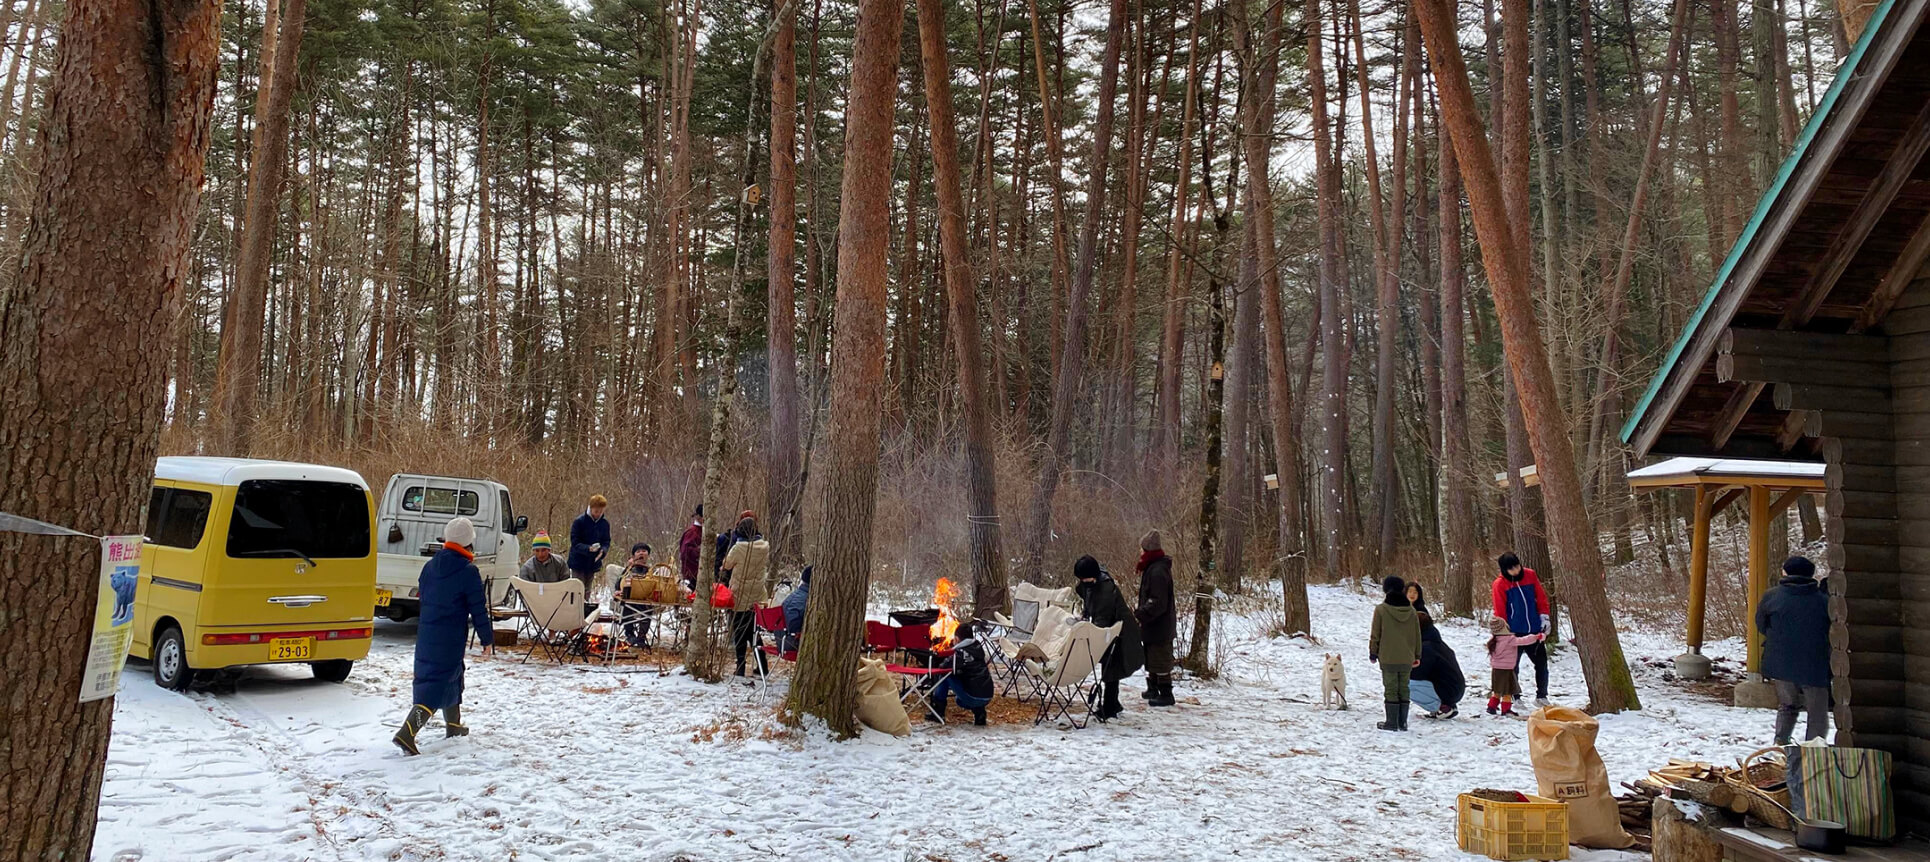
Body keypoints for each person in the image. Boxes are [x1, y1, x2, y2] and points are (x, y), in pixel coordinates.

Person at [392, 516, 495, 756]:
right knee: (437, 684)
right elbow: (478, 608)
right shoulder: (468, 571)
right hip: (449, 636)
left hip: (427, 632)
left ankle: (454, 726)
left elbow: (423, 597)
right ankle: (407, 732)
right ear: (468, 543)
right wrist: (487, 638)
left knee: (450, 675)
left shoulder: (430, 566)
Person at [1757, 555, 1831, 744]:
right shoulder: (1823, 600)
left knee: (1787, 705)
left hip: (1780, 661)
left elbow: (1761, 625)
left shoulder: (1771, 596)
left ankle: (1780, 745)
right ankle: (1814, 751)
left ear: (1786, 572)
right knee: (1817, 712)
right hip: (1816, 662)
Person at [1074, 555, 1144, 721]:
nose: (1082, 581)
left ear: (1093, 574)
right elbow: (1088, 600)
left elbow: (1102, 617)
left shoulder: (1105, 588)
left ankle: (1110, 707)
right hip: (1110, 629)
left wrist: (1092, 633)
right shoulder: (1088, 585)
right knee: (1109, 667)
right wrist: (1085, 614)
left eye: (1084, 577)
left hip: (1121, 631)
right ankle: (1112, 703)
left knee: (1112, 669)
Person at [1492, 552, 1553, 706]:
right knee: (1512, 666)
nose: (1516, 571)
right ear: (1505, 570)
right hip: (1514, 633)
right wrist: (1503, 633)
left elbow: (1541, 597)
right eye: (1511, 569)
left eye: (1517, 566)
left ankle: (1541, 696)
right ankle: (1514, 696)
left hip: (1534, 629)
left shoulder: (1530, 575)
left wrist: (1544, 616)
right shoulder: (1500, 584)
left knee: (1541, 664)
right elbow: (1500, 610)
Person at [720, 516, 772, 678]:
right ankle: (762, 665)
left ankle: (741, 665)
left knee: (740, 632)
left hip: (740, 594)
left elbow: (726, 565)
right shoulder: (764, 546)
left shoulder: (738, 548)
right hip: (757, 594)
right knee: (753, 631)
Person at [1369, 576, 1421, 732]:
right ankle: (1402, 722)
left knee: (1391, 687)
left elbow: (1375, 634)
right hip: (1407, 657)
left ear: (1386, 589)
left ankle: (1391, 722)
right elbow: (1416, 635)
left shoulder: (1381, 610)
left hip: (1388, 656)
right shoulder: (1411, 611)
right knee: (1404, 687)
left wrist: (1373, 652)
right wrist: (1417, 655)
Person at [1407, 584, 1465, 719]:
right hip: (1453, 689)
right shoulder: (1436, 642)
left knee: (1405, 684)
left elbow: (1417, 673)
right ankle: (1447, 704)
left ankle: (1442, 707)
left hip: (1449, 691)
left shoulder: (1427, 648)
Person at [1134, 530, 1176, 708]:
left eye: (1142, 549)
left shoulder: (1157, 571)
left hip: (1159, 624)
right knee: (1151, 656)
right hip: (1152, 624)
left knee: (1160, 658)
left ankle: (1166, 693)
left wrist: (1142, 613)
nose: (1140, 553)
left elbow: (1158, 603)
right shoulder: (1152, 568)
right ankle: (1153, 688)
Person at [926, 621, 995, 726]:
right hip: (987, 695)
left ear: (957, 639)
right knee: (972, 685)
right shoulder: (977, 648)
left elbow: (943, 667)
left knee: (945, 674)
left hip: (972, 697)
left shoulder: (960, 653)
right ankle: (979, 713)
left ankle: (938, 712)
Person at [1485, 615, 1545, 717]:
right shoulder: (1510, 639)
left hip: (1496, 670)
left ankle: (1492, 706)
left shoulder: (1494, 641)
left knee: (1498, 690)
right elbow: (1523, 640)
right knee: (1508, 691)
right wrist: (1536, 637)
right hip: (1507, 669)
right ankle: (1506, 709)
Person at [568, 495, 612, 598]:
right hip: (578, 561)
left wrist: (603, 551)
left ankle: (585, 608)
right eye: (596, 511)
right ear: (591, 508)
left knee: (587, 590)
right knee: (577, 589)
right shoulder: (579, 522)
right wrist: (588, 548)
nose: (598, 514)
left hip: (593, 562)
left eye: (601, 511)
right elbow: (575, 542)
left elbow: (606, 541)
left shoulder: (604, 524)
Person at [619, 543, 654, 646]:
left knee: (648, 608)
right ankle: (629, 634)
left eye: (644, 551)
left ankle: (641, 637)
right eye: (638, 552)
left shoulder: (650, 571)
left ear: (648, 555)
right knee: (626, 605)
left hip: (644, 600)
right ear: (634, 556)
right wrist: (628, 568)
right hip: (630, 599)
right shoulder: (629, 569)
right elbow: (618, 584)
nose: (641, 554)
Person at [780, 565, 812, 652]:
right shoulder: (807, 600)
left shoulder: (794, 595)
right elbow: (794, 626)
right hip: (793, 643)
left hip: (781, 640)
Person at [678, 505, 703, 589]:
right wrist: (701, 551)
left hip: (700, 573)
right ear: (699, 517)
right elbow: (685, 552)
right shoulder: (692, 532)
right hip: (692, 574)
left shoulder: (703, 531)